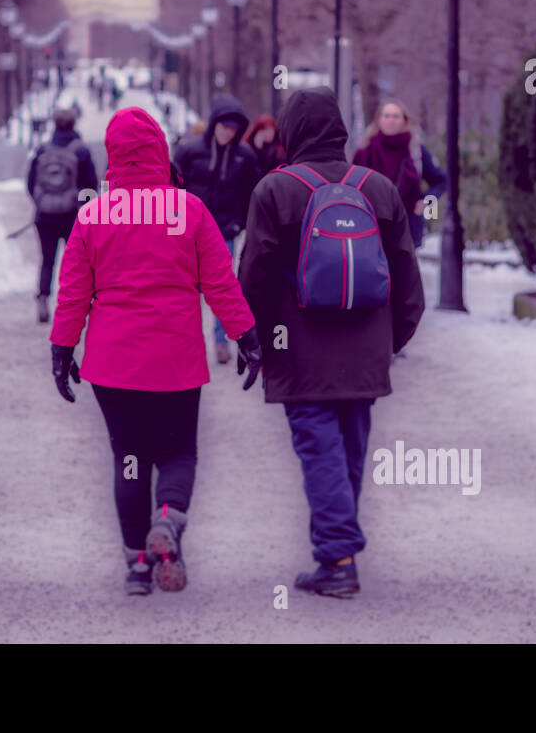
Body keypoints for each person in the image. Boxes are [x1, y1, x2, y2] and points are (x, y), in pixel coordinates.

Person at [50, 106, 262, 596]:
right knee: (178, 451)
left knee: (129, 456)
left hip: (113, 361)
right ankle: (167, 519)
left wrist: (62, 351)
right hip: (176, 358)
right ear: (160, 152)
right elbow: (221, 284)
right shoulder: (189, 210)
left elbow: (74, 292)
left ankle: (138, 566)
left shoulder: (93, 216)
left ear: (113, 156)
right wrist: (246, 338)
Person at [238, 87, 423, 598]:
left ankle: (338, 559)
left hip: (299, 350)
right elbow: (408, 278)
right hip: (364, 350)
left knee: (320, 450)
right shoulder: (378, 188)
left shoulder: (275, 190)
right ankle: (333, 554)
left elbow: (254, 273)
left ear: (292, 131)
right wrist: (388, 340)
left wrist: (250, 337)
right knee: (347, 452)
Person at [173, 93, 260, 364]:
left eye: (233, 129)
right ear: (214, 125)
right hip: (189, 231)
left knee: (223, 287)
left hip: (225, 230)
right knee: (188, 287)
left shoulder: (244, 156)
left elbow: (252, 192)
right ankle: (188, 340)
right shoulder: (189, 150)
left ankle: (222, 341)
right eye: (224, 127)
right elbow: (174, 187)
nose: (228, 133)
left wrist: (240, 222)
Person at [27, 106, 99, 323]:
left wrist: (41, 201)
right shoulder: (81, 151)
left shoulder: (42, 150)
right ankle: (72, 304)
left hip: (45, 217)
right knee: (75, 263)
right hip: (71, 216)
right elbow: (91, 184)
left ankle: (43, 297)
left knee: (47, 260)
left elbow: (30, 182)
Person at [353, 99, 449, 251]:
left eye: (396, 116)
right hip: (370, 228)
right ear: (378, 120)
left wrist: (427, 202)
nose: (391, 120)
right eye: (387, 116)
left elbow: (442, 181)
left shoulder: (416, 150)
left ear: (405, 121)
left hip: (407, 229)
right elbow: (352, 186)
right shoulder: (364, 150)